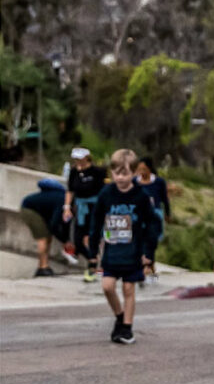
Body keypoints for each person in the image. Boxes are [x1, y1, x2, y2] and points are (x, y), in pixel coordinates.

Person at [90, 149, 160, 344]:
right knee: (107, 286)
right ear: (111, 172)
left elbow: (152, 225)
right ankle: (119, 316)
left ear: (134, 173)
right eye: (117, 173)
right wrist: (93, 253)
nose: (120, 177)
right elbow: (96, 222)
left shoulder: (140, 196)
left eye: (125, 173)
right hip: (112, 253)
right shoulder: (106, 194)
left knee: (129, 289)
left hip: (133, 252)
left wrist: (148, 252)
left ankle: (127, 328)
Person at [63, 147, 107, 282]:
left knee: (93, 235)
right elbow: (70, 190)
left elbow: (103, 190)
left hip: (94, 206)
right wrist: (67, 207)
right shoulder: (74, 171)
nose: (77, 161)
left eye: (80, 159)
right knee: (78, 237)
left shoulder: (97, 172)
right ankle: (92, 260)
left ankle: (93, 266)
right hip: (81, 207)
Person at [20, 179, 74, 277]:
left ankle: (43, 266)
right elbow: (54, 224)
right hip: (29, 209)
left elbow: (65, 223)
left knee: (47, 237)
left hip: (38, 210)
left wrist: (66, 239)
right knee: (43, 238)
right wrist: (65, 241)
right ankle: (42, 268)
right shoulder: (62, 200)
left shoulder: (64, 202)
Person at [134, 157, 170, 283]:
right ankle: (147, 268)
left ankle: (150, 267)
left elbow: (165, 199)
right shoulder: (135, 181)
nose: (141, 171)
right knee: (141, 241)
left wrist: (168, 213)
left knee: (152, 241)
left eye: (144, 169)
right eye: (139, 169)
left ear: (149, 169)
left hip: (155, 216)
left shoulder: (159, 182)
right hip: (138, 216)